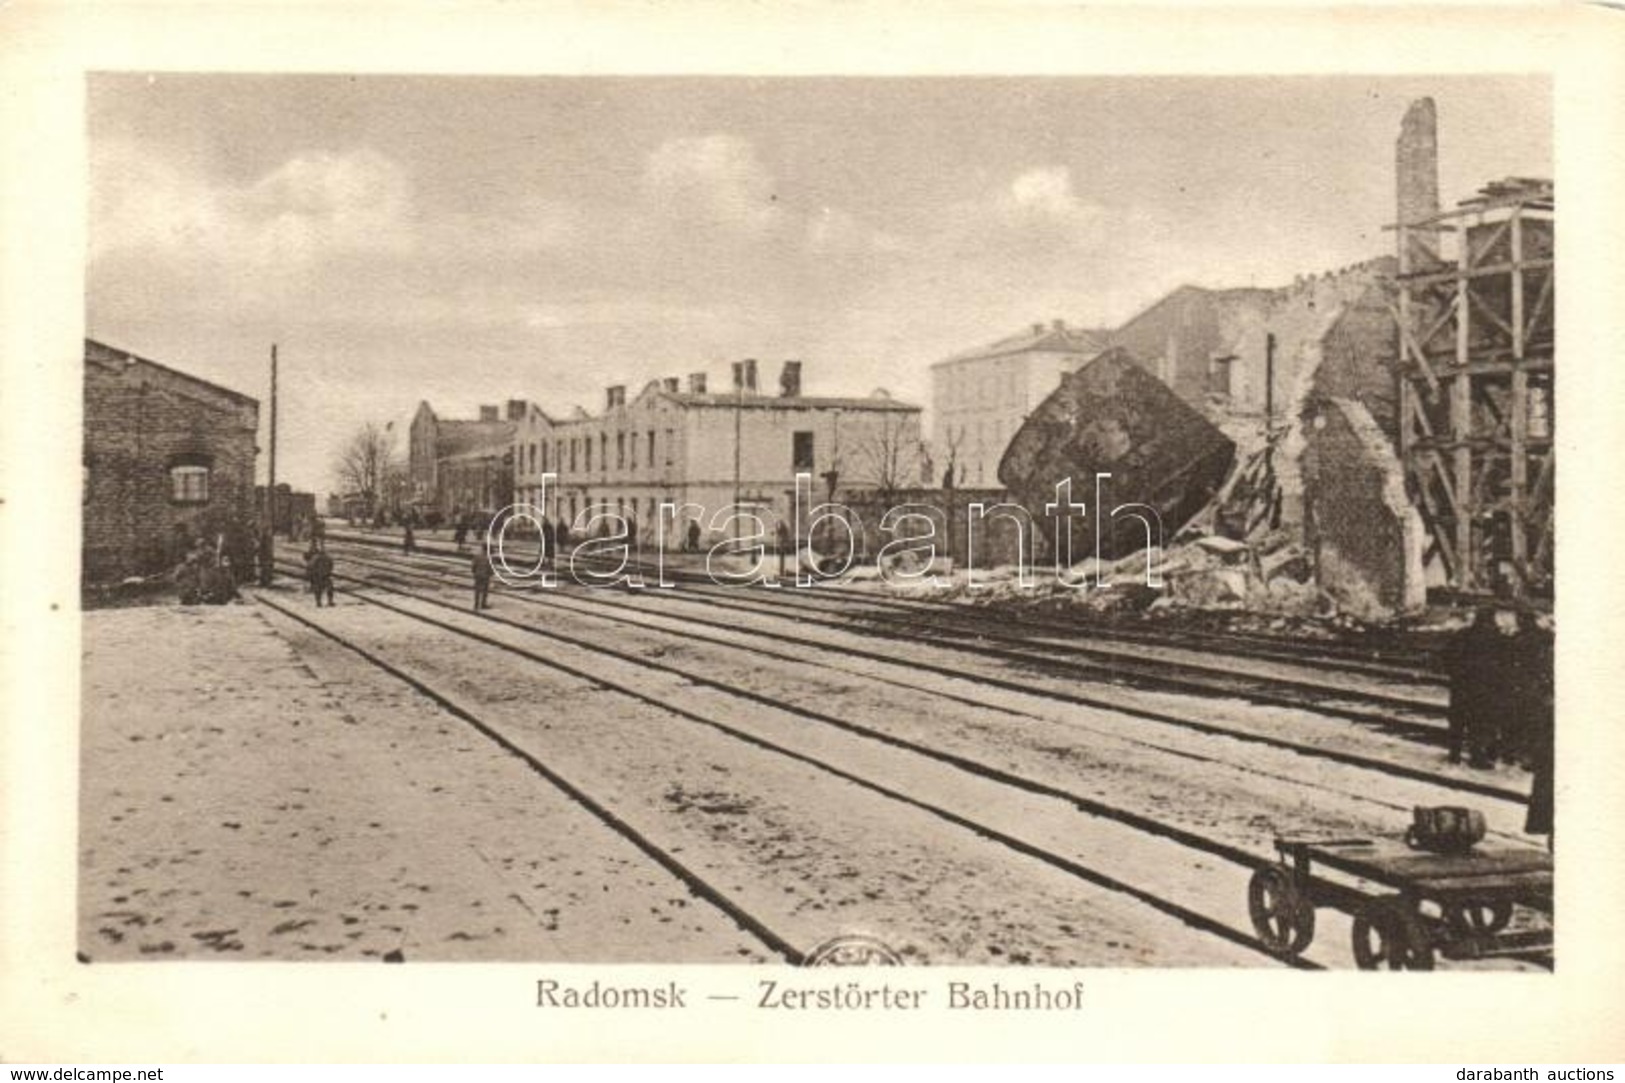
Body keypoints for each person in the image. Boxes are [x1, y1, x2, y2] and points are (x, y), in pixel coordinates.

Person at [1443, 606, 1502, 768]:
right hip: (1483, 688)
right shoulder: (1496, 638)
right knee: (1479, 723)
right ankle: (1477, 757)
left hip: (1461, 685)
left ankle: (1454, 754)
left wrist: (1455, 675)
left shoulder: (1462, 635)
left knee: (1458, 721)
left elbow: (1447, 657)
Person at [471, 543, 495, 610]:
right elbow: (491, 568)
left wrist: (474, 572)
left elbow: (473, 566)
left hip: (477, 575)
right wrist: (491, 575)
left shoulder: (477, 556)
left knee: (477, 590)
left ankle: (476, 605)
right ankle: (483, 604)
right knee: (485, 590)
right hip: (485, 576)